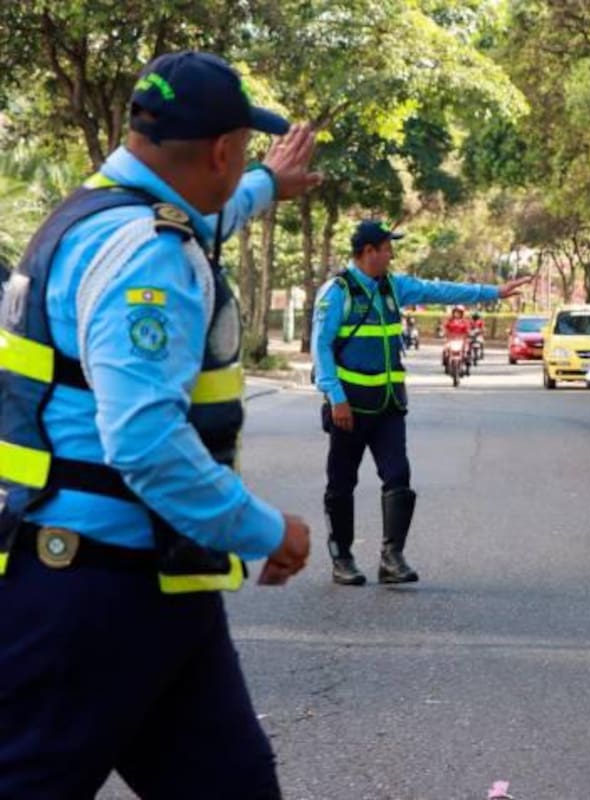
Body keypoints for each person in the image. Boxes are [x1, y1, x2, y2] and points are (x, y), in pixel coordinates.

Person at [0, 51, 318, 796]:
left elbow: (208, 209)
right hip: (92, 594)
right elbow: (144, 442)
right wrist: (267, 530)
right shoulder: (149, 256)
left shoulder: (95, 209)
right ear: (220, 151)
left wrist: (268, 184)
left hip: (148, 587)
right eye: (243, 157)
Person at [312, 222, 530, 586]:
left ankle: (391, 557)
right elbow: (320, 346)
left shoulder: (393, 287)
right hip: (349, 408)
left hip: (388, 406)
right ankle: (343, 558)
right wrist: (335, 397)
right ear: (368, 252)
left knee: (398, 476)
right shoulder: (337, 292)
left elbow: (439, 290)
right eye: (386, 248)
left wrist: (493, 291)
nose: (391, 254)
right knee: (341, 483)